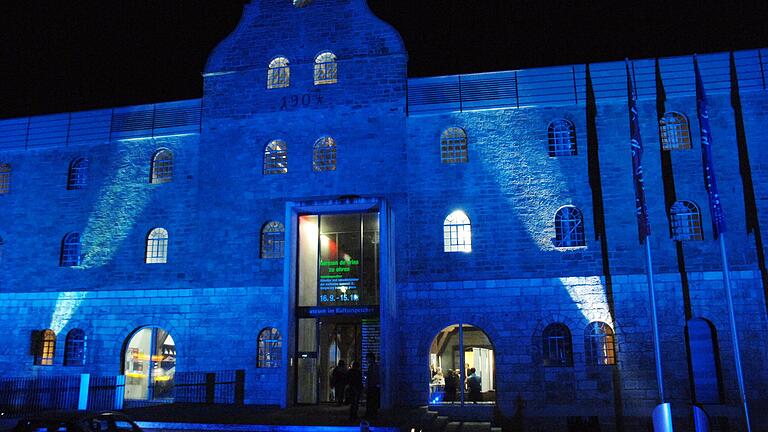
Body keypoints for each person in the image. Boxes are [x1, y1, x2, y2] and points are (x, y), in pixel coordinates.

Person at [365, 352, 381, 420]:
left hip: (372, 387)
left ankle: (371, 415)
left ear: (371, 358)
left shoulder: (373, 366)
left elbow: (373, 377)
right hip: (373, 386)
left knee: (371, 401)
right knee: (372, 402)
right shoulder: (374, 366)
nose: (367, 360)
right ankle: (372, 415)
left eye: (367, 358)